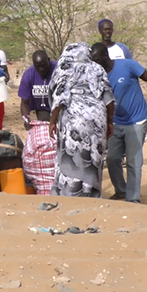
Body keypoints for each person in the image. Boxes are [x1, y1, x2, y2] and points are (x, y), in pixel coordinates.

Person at [91, 42, 147, 203]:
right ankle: (121, 190)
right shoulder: (98, 76)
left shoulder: (128, 65)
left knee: (133, 160)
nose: (94, 63)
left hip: (136, 120)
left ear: (105, 56)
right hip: (115, 122)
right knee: (113, 158)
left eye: (96, 59)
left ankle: (133, 197)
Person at [49, 42, 115, 198]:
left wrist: (52, 121)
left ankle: (70, 197)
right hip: (97, 123)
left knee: (72, 158)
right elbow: (109, 100)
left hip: (73, 123)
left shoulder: (64, 69)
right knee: (92, 159)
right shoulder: (98, 69)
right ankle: (90, 195)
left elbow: (59, 99)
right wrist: (109, 122)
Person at [18, 50, 58, 195]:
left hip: (58, 109)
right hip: (41, 110)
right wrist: (26, 118)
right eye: (37, 66)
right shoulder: (29, 74)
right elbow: (24, 102)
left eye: (43, 65)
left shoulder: (58, 70)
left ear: (48, 60)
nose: (41, 69)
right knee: (44, 143)